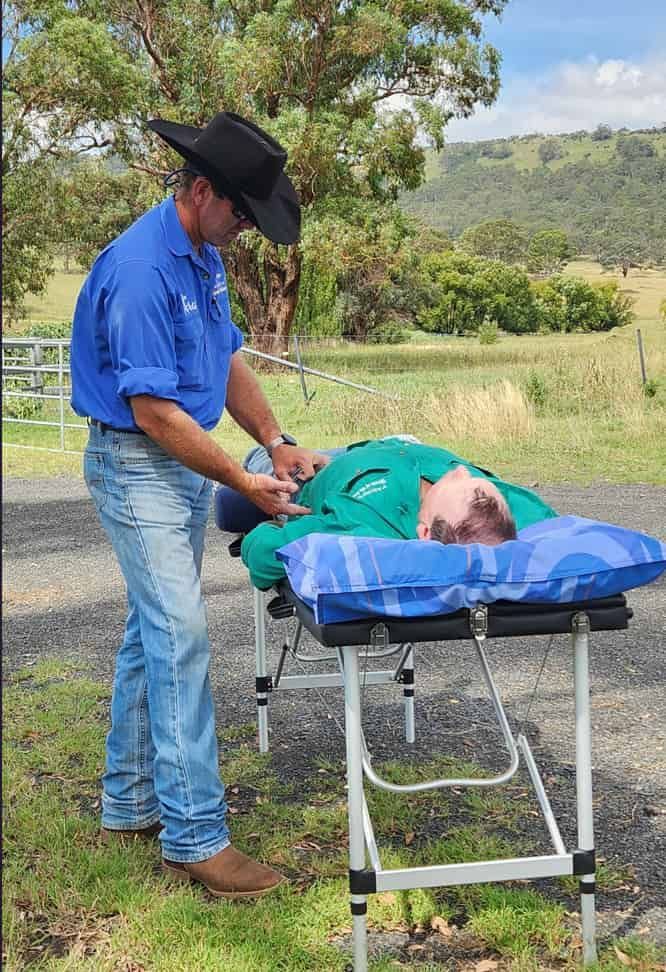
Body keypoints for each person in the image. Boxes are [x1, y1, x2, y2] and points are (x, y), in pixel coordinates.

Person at [69, 111, 327, 899]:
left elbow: (224, 360)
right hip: (137, 461)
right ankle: (195, 837)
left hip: (178, 462)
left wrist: (275, 440)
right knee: (180, 638)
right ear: (201, 189)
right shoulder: (144, 268)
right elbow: (153, 414)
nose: (246, 229)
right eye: (241, 213)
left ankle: (129, 802)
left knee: (150, 636)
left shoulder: (203, 256)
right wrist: (244, 483)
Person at [240, 437, 558, 590]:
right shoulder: (507, 511)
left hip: (306, 475)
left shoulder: (362, 529)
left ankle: (260, 455)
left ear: (423, 532)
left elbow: (262, 553)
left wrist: (272, 521)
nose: (462, 470)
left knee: (260, 456)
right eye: (474, 479)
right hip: (396, 444)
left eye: (452, 483)